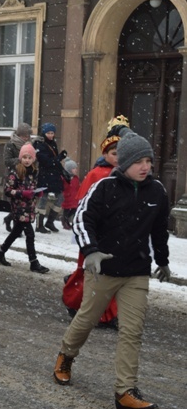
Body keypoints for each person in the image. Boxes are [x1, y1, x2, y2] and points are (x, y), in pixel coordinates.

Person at [53, 129, 170, 409]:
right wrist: (91, 250)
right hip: (104, 269)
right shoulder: (105, 188)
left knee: (132, 330)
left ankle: (125, 392)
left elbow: (159, 230)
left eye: (149, 161)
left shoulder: (157, 191)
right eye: (139, 161)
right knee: (87, 319)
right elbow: (82, 219)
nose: (146, 167)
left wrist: (163, 261)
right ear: (124, 163)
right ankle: (66, 355)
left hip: (137, 271)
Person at [61, 117, 124, 328]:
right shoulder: (97, 174)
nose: (118, 158)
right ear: (105, 154)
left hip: (114, 234)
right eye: (114, 154)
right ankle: (77, 302)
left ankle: (108, 313)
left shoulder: (125, 175)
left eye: (121, 154)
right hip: (95, 233)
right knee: (92, 272)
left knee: (111, 273)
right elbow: (83, 204)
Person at [0, 143, 50, 273]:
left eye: (29, 158)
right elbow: (8, 190)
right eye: (24, 157)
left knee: (15, 233)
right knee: (30, 234)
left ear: (33, 159)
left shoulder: (34, 172)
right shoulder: (15, 172)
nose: (27, 160)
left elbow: (31, 188)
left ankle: (0, 253)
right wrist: (22, 193)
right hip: (18, 207)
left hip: (29, 207)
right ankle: (33, 262)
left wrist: (37, 192)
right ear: (20, 158)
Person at [33, 123, 67, 233]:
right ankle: (39, 224)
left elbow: (54, 162)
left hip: (55, 175)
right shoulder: (39, 145)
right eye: (48, 133)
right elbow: (47, 162)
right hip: (45, 175)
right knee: (43, 198)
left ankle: (50, 222)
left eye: (52, 133)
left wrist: (63, 172)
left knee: (60, 197)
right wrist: (60, 157)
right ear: (44, 133)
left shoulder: (53, 144)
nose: (51, 135)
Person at [3, 123, 33, 232]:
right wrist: (21, 160)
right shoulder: (10, 144)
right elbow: (7, 161)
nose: (26, 138)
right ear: (18, 134)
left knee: (23, 203)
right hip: (14, 177)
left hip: (26, 177)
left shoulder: (30, 145)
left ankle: (10, 220)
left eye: (28, 136)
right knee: (16, 202)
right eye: (24, 136)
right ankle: (17, 229)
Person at [61, 159, 80, 230]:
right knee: (67, 210)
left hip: (75, 197)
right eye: (74, 168)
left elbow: (78, 186)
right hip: (68, 197)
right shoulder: (65, 178)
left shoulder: (76, 178)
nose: (76, 170)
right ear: (69, 170)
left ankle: (66, 220)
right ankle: (65, 221)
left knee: (74, 209)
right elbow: (64, 187)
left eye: (76, 168)